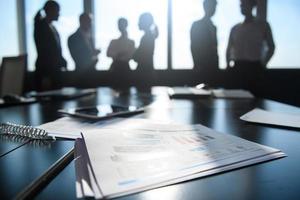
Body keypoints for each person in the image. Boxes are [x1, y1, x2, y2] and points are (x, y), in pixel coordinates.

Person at [226, 0, 275, 93]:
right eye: (241, 4)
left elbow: (271, 47)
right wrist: (228, 66)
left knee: (256, 99)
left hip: (255, 69)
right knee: (236, 101)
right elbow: (229, 49)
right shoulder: (235, 28)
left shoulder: (263, 25)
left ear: (252, 5)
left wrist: (263, 64)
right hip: (237, 69)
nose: (242, 6)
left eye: (244, 4)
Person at [34, 0, 67, 91]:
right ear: (50, 11)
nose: (59, 14)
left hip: (55, 71)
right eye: (57, 11)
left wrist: (62, 60)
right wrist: (46, 76)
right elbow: (44, 51)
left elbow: (55, 50)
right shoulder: (41, 26)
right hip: (46, 72)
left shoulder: (52, 28)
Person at [190, 0, 218, 84]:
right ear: (205, 7)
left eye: (214, 7)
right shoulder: (197, 25)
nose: (213, 9)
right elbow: (194, 46)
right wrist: (197, 64)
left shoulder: (213, 27)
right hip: (201, 67)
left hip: (213, 68)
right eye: (212, 6)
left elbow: (214, 48)